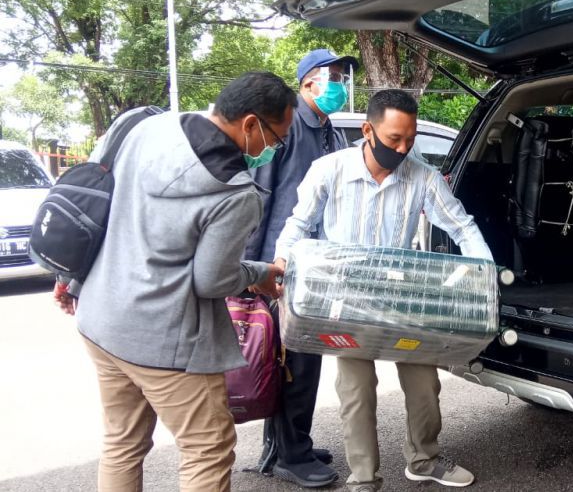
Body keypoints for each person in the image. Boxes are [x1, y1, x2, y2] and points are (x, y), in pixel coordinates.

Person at [57, 71, 294, 491]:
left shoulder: (148, 127)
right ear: (250, 124)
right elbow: (212, 280)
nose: (273, 149)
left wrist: (71, 278)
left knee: (121, 443)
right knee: (207, 448)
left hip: (101, 319)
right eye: (277, 138)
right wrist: (259, 274)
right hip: (165, 341)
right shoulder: (235, 193)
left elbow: (93, 198)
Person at [273, 89, 492, 492]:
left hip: (401, 300)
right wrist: (282, 262)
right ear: (367, 131)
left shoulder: (422, 177)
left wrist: (485, 275)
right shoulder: (330, 170)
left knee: (424, 384)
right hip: (346, 302)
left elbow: (461, 226)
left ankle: (424, 459)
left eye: (410, 139)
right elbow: (298, 224)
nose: (403, 148)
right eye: (394, 139)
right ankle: (363, 478)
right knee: (356, 390)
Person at [244, 48, 359, 488]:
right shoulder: (287, 125)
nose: (340, 84)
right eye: (334, 76)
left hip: (318, 265)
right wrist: (253, 269)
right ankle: (290, 454)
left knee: (299, 359)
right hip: (283, 265)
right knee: (294, 361)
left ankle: (286, 446)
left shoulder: (330, 130)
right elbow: (260, 196)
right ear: (309, 81)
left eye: (343, 77)